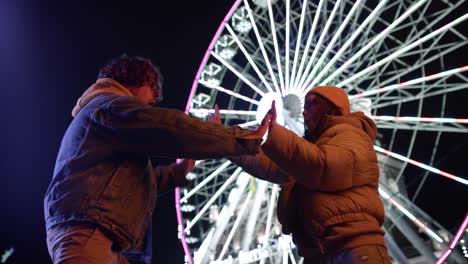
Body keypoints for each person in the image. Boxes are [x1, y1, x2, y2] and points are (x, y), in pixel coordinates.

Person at [44, 55, 272, 264]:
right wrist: (241, 137)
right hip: (89, 236)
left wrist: (179, 170)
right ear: (139, 80)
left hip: (97, 237)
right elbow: (166, 127)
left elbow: (130, 182)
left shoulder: (102, 114)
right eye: (152, 91)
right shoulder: (109, 106)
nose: (153, 100)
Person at [211, 86, 392, 263]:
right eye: (304, 107)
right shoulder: (309, 151)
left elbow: (323, 166)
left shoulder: (351, 134)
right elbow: (269, 165)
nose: (304, 113)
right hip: (318, 251)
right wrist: (224, 139)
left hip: (352, 246)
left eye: (311, 105)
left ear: (333, 107)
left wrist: (276, 132)